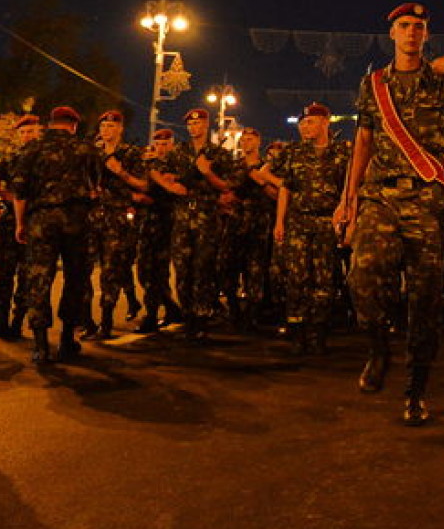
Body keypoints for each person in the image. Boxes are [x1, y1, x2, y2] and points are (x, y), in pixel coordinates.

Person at [336, 3, 444, 426]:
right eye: (404, 26)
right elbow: (363, 142)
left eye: (418, 27)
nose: (411, 32)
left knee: (426, 297)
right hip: (380, 195)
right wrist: (348, 197)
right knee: (363, 275)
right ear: (391, 33)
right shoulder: (373, 84)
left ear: (426, 35)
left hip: (427, 197)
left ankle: (416, 388)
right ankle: (379, 349)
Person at [259, 104, 351, 352]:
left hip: (326, 223)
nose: (305, 126)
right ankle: (297, 331)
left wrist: (347, 218)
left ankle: (318, 331)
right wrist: (280, 221)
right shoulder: (295, 152)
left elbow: (349, 189)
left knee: (324, 279)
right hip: (298, 222)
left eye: (310, 121)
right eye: (303, 123)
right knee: (297, 278)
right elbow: (285, 188)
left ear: (325, 122)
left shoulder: (342, 152)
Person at [12, 106, 101, 363]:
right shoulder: (86, 149)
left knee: (39, 279)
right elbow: (96, 186)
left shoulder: (32, 149)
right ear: (73, 125)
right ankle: (66, 339)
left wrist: (20, 224)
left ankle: (40, 345)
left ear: (50, 124)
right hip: (77, 221)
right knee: (75, 279)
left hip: (41, 221)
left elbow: (20, 192)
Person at [149, 109, 234, 341]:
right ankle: (188, 316)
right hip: (182, 216)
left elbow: (227, 186)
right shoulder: (179, 152)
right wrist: (170, 185)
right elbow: (155, 170)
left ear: (207, 125)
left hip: (206, 216)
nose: (195, 127)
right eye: (191, 124)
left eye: (199, 123)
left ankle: (201, 318)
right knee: (183, 269)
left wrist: (207, 174)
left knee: (203, 269)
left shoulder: (219, 154)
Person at [0, 114, 42, 341]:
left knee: (27, 276)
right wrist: (1, 194)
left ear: (39, 132)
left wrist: (14, 197)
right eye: (23, 132)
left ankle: (17, 321)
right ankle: (0, 321)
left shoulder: (45, 158)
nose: (27, 136)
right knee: (4, 275)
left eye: (31, 131)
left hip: (34, 222)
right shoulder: (11, 159)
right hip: (9, 223)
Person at [88, 110, 148, 339]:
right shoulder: (92, 154)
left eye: (111, 126)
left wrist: (120, 172)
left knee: (110, 271)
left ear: (120, 129)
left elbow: (143, 185)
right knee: (83, 270)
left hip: (117, 218)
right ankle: (86, 321)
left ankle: (106, 322)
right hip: (93, 217)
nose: (106, 131)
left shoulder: (130, 154)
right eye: (103, 126)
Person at [224, 127, 277, 332]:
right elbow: (225, 190)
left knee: (255, 271)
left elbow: (276, 195)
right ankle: (234, 310)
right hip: (235, 223)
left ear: (258, 142)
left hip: (259, 224)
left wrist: (261, 181)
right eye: (243, 139)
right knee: (227, 267)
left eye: (250, 139)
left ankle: (252, 315)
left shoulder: (268, 166)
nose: (246, 143)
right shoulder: (234, 166)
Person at [136, 129, 182, 332]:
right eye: (158, 144)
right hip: (146, 222)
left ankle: (152, 315)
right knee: (145, 270)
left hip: (166, 222)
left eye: (165, 144)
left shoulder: (177, 165)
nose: (161, 148)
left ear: (172, 145)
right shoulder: (147, 165)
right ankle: (172, 308)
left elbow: (177, 189)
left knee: (158, 271)